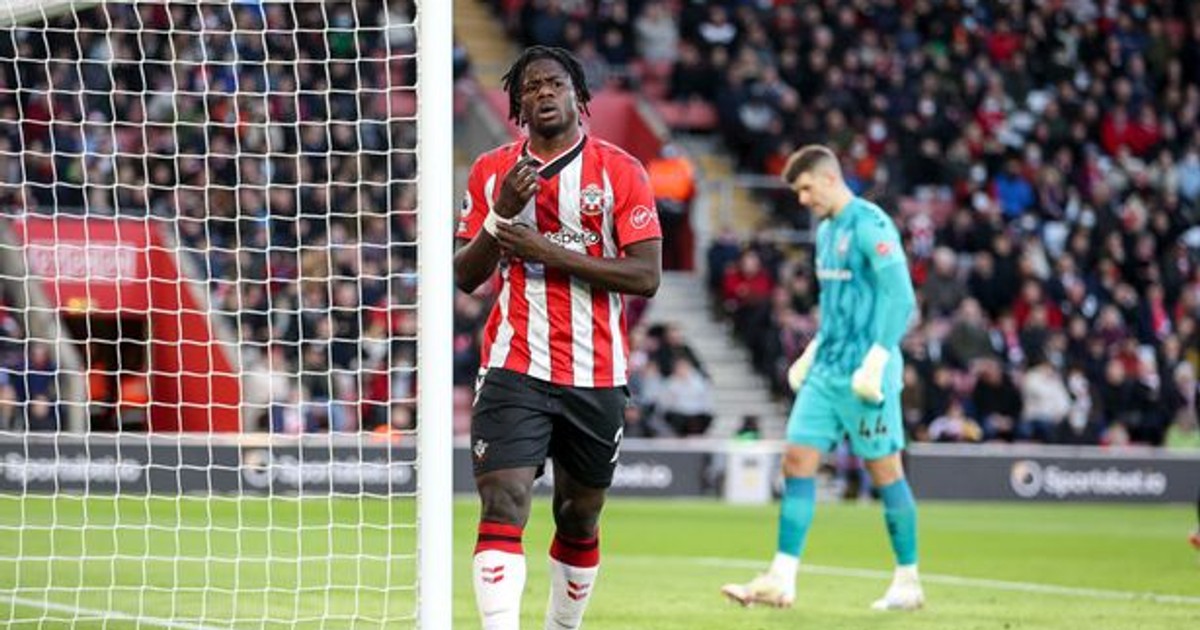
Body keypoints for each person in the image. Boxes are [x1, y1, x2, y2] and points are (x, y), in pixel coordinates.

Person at [453, 45, 662, 630]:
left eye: (555, 83)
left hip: (597, 372)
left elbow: (645, 276)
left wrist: (545, 250)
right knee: (503, 500)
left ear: (579, 96)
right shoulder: (492, 170)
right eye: (530, 87)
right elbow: (466, 275)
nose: (543, 92)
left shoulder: (620, 170)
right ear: (517, 106)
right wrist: (501, 215)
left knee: (578, 515)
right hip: (514, 361)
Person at [721, 145, 923, 611]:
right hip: (828, 372)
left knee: (885, 472)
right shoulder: (827, 232)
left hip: (867, 375)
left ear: (830, 179)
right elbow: (835, 306)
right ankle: (781, 578)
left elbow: (901, 297)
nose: (803, 199)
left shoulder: (871, 225)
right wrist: (812, 352)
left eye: (807, 188)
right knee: (796, 460)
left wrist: (878, 357)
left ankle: (908, 580)